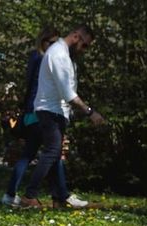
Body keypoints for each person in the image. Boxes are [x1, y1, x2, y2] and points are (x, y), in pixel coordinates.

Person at [20, 25, 106, 210]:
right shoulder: (58, 55)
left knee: (55, 155)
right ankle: (29, 196)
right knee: (52, 152)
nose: (84, 51)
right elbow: (68, 93)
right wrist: (90, 112)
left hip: (55, 111)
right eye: (85, 46)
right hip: (50, 111)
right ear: (76, 36)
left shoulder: (63, 54)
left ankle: (60, 197)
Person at [1, 27, 78, 209]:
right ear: (42, 42)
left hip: (32, 111)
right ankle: (57, 195)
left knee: (38, 153)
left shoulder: (36, 58)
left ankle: (13, 194)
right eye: (50, 43)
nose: (54, 46)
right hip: (39, 112)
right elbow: (38, 88)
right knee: (52, 152)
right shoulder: (44, 59)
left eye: (55, 43)